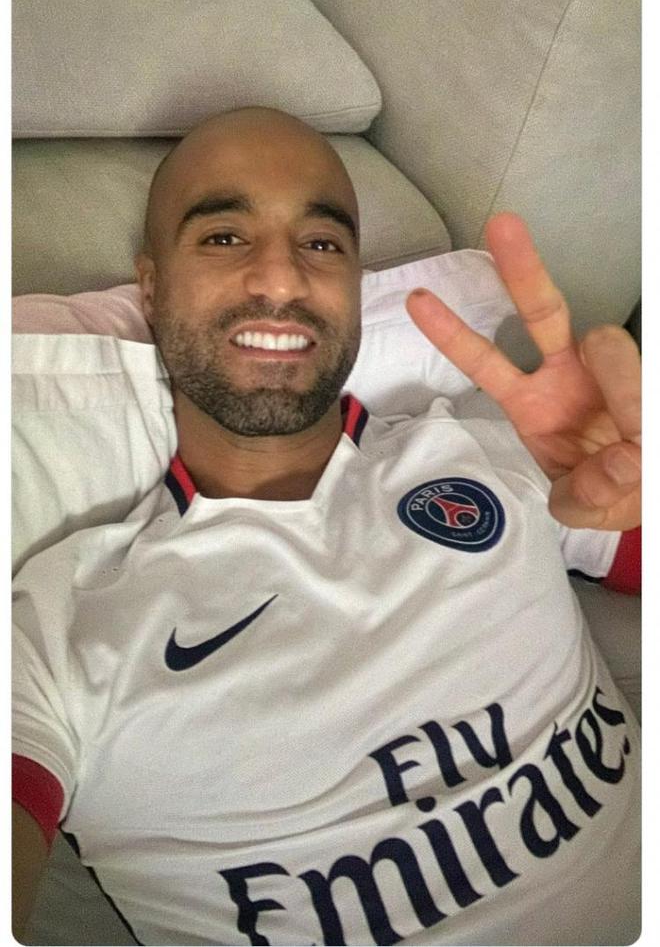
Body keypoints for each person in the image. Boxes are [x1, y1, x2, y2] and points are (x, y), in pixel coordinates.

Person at [12, 108, 641, 946]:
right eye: (223, 237)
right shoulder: (62, 625)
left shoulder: (493, 450)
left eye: (321, 243)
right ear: (152, 290)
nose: (280, 278)